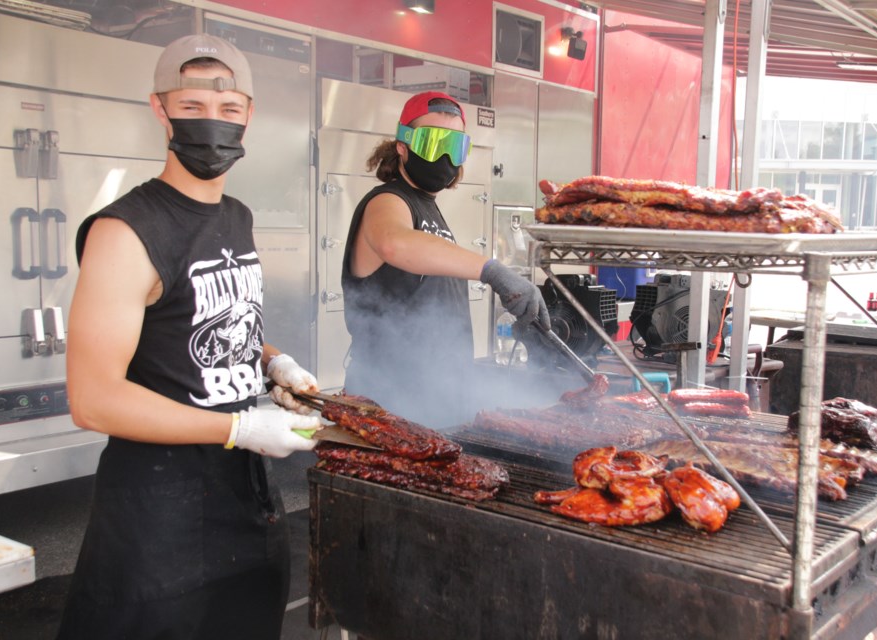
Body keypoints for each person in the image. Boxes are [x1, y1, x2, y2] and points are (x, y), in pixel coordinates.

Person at [56, 34, 320, 640]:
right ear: (160, 109)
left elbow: (211, 326)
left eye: (228, 111)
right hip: (156, 521)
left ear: (248, 115)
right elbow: (92, 399)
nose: (212, 124)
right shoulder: (126, 232)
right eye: (192, 107)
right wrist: (241, 427)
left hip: (246, 504)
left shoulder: (237, 217)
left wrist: (274, 362)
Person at [341, 91, 550, 428]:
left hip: (434, 397)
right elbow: (395, 244)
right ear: (402, 146)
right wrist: (491, 270)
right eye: (431, 142)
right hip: (388, 401)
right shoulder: (388, 200)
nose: (442, 155)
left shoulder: (428, 207)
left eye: (453, 146)